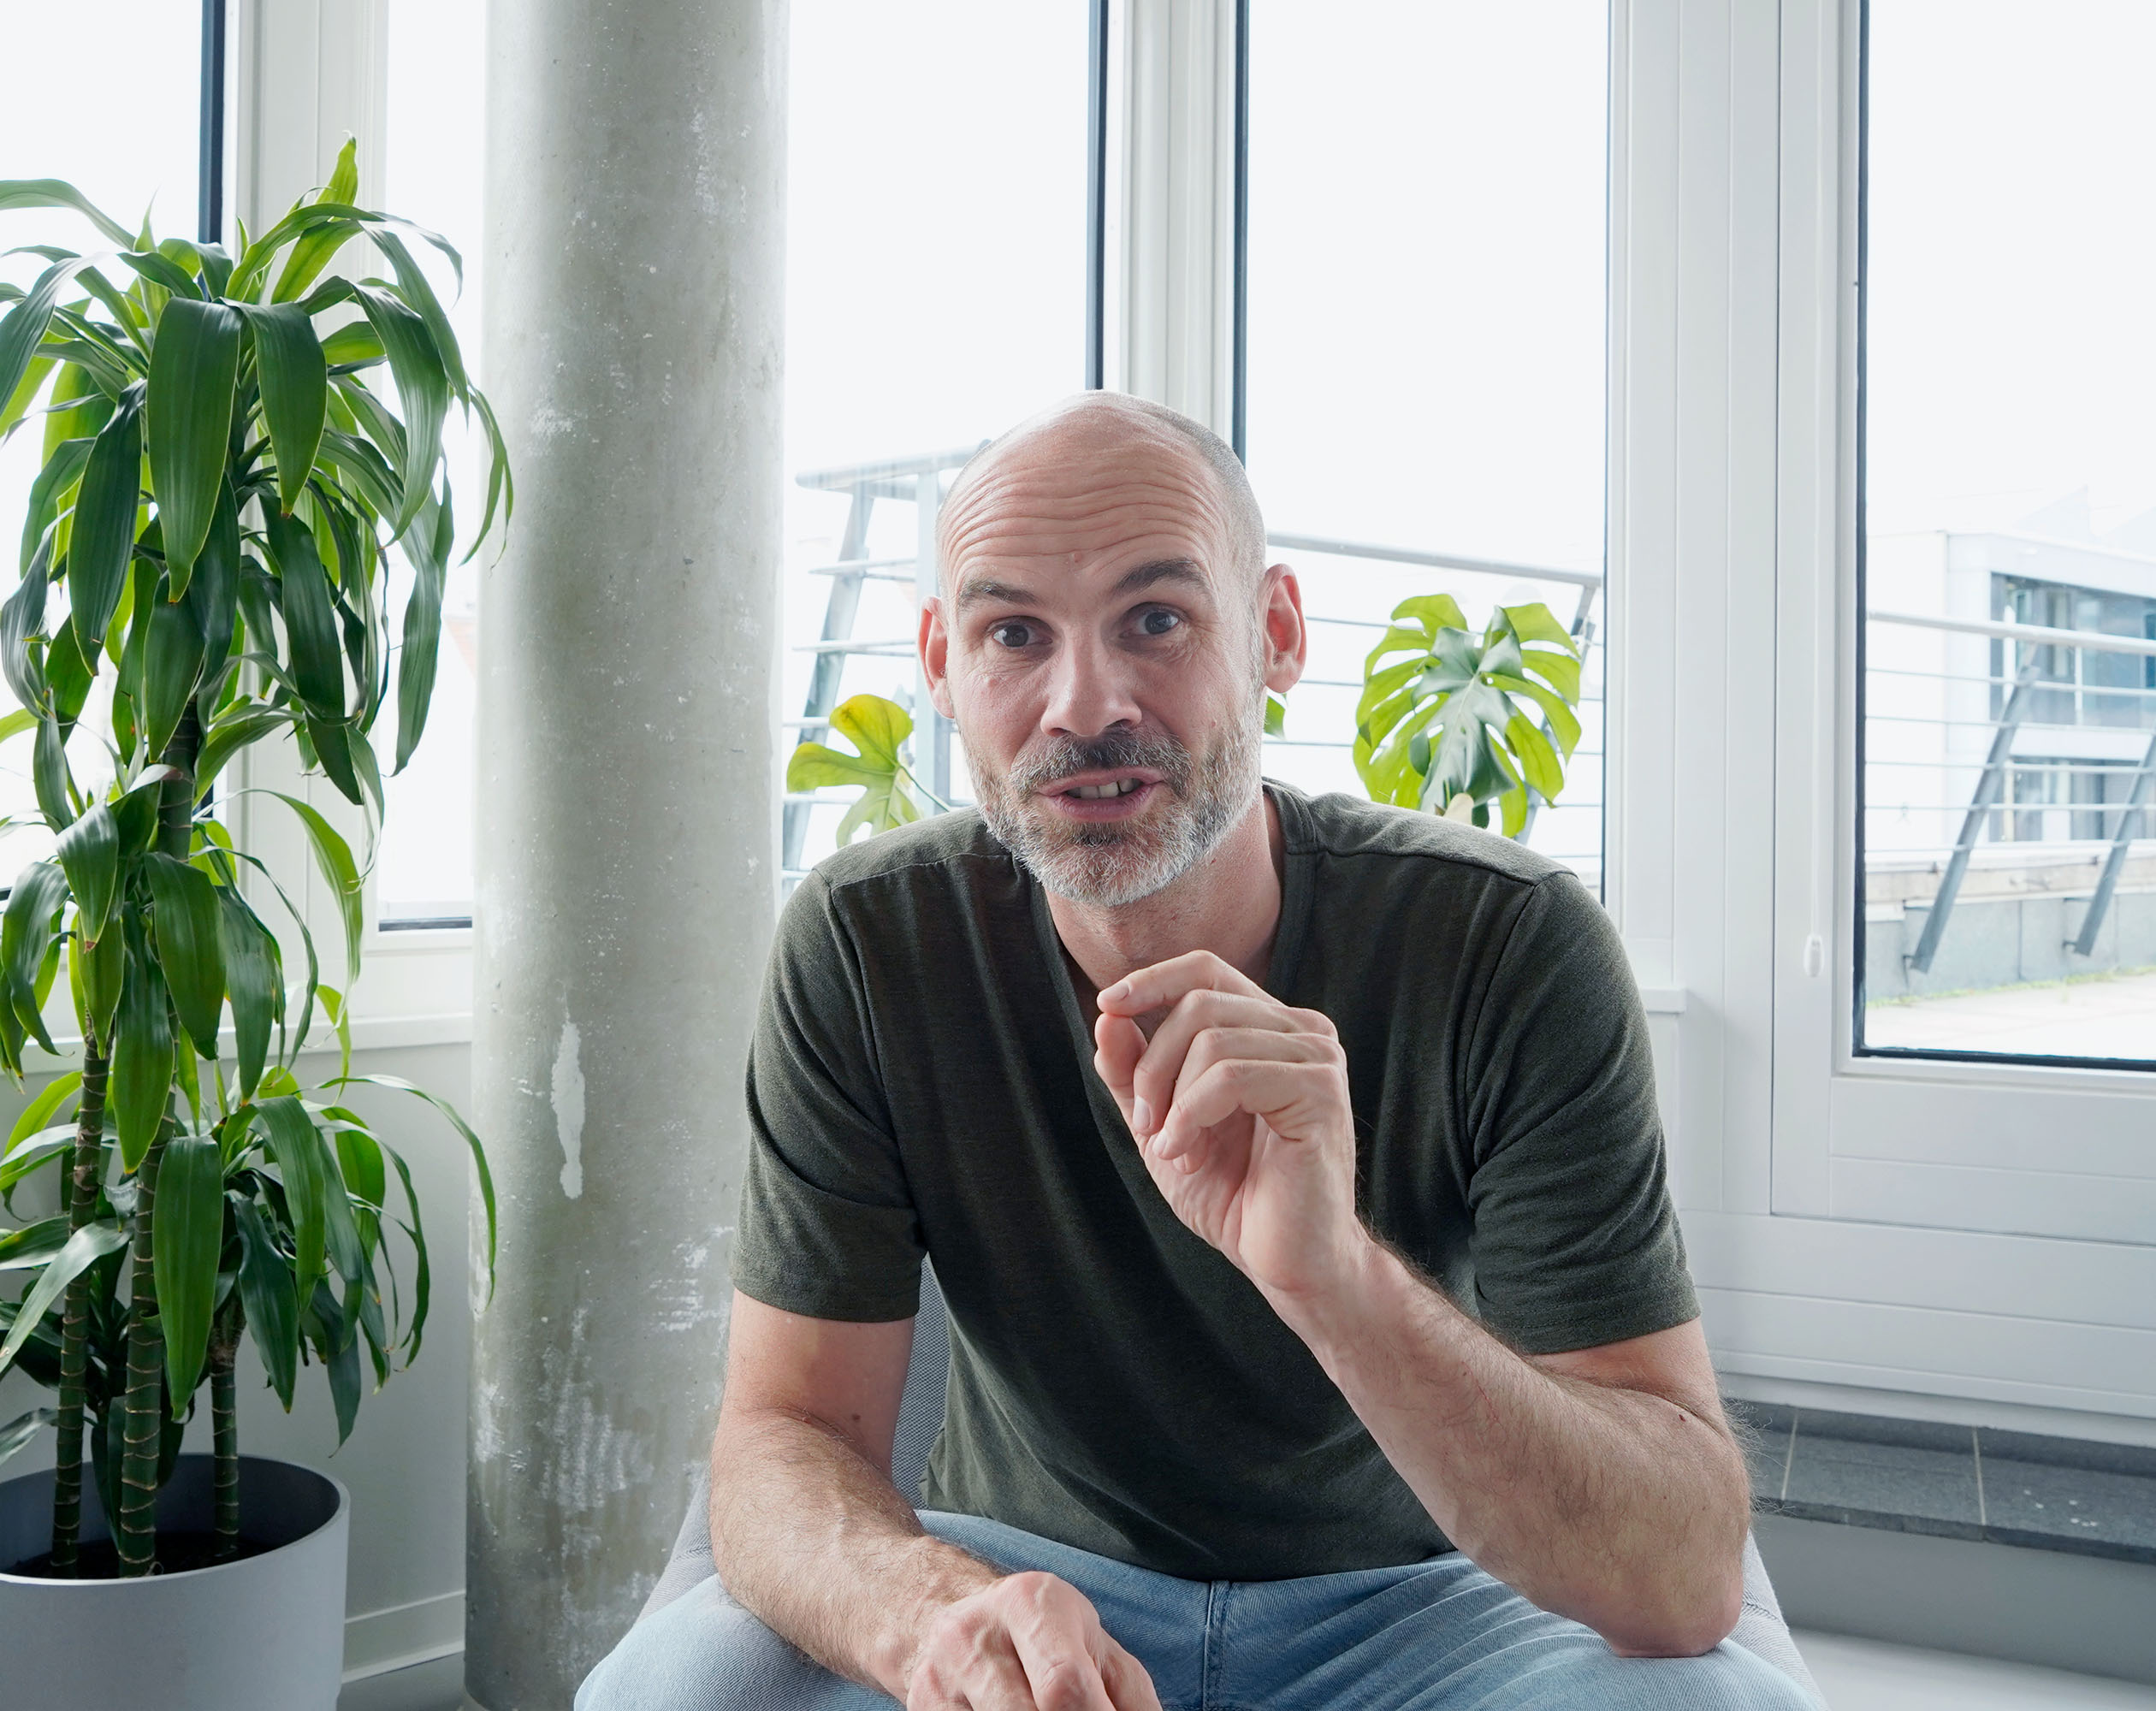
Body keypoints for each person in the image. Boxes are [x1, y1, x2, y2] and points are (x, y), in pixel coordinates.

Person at [578, 394, 1814, 1711]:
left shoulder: (1506, 942)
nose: (1085, 704)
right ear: (941, 664)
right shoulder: (868, 941)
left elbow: (1683, 1579)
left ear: (1275, 634)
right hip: (1028, 1584)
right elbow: (788, 1432)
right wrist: (930, 1615)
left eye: (1156, 620)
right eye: (1014, 634)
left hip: (1430, 1612)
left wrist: (1334, 1274)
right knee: (677, 1692)